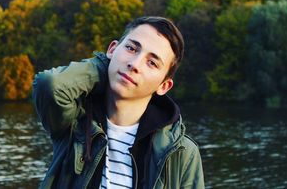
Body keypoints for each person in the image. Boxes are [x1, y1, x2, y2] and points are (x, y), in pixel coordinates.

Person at [32, 16, 205, 189]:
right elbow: (50, 85)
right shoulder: (76, 121)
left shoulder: (182, 152)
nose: (134, 64)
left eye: (152, 63)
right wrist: (104, 64)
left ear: (164, 86)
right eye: (131, 48)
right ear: (113, 49)